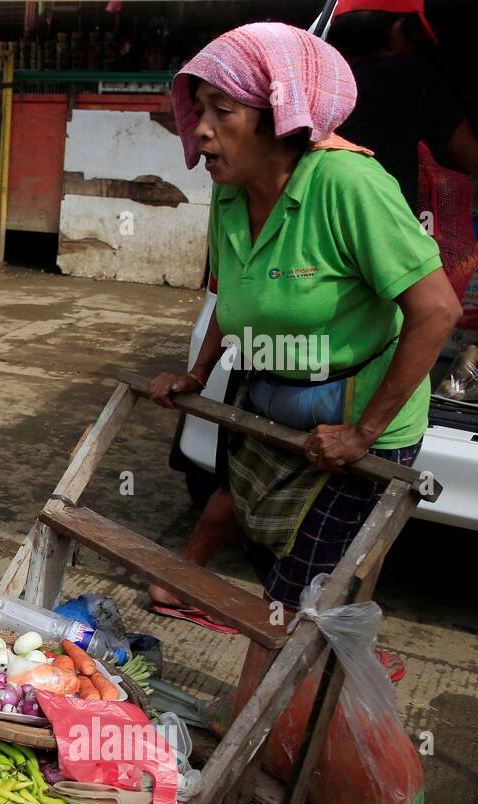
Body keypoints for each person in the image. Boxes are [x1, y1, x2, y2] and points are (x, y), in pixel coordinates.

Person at [146, 22, 460, 627]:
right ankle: (317, 692)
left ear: (281, 114)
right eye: (199, 109)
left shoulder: (350, 185)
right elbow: (230, 297)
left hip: (355, 427)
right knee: (258, 545)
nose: (201, 129)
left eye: (223, 110)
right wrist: (197, 372)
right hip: (271, 398)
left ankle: (272, 712)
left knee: (296, 607)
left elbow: (438, 310)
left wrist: (362, 433)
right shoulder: (232, 191)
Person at [327, 0, 478, 213]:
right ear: (398, 31)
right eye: (416, 41)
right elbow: (468, 158)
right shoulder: (407, 73)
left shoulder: (320, 76)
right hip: (377, 228)